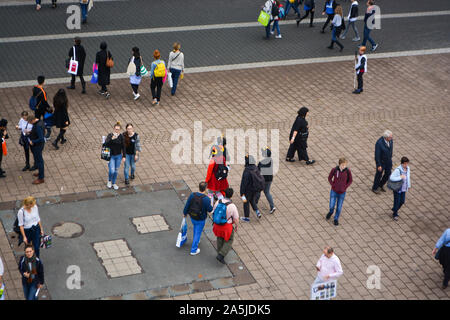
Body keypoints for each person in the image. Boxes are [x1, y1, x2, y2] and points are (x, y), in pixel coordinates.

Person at [183, 182, 214, 256]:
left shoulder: (192, 195)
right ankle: (193, 249)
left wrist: (184, 213)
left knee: (196, 228)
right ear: (205, 189)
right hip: (201, 218)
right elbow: (210, 210)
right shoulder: (206, 199)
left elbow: (187, 205)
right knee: (198, 232)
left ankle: (196, 240)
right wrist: (211, 202)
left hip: (192, 216)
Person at [213, 188, 239, 264]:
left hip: (217, 224)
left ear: (224, 194)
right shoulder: (232, 206)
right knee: (229, 240)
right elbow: (236, 218)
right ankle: (221, 254)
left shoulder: (218, 202)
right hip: (226, 226)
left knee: (219, 237)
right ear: (231, 196)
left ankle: (219, 251)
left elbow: (214, 212)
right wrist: (237, 226)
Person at [326, 158, 352, 226]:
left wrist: (345, 187)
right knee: (331, 205)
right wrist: (333, 185)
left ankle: (336, 219)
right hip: (334, 191)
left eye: (345, 165)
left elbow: (350, 180)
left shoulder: (347, 171)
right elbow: (329, 178)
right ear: (339, 164)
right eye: (343, 165)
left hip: (342, 192)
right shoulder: (334, 170)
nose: (344, 166)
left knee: (339, 207)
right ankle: (331, 212)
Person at [240, 155, 263, 222]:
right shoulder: (255, 168)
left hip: (247, 191)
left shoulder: (247, 171)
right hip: (254, 189)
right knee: (252, 200)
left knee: (245, 202)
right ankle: (257, 212)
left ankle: (246, 217)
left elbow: (244, 183)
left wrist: (242, 192)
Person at [104, 122, 125, 190]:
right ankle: (109, 181)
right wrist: (112, 139)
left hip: (118, 156)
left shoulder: (121, 137)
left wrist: (124, 156)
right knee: (112, 170)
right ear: (114, 129)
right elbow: (106, 144)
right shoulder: (110, 135)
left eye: (118, 129)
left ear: (120, 130)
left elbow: (123, 147)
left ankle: (114, 182)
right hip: (111, 156)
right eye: (116, 129)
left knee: (116, 170)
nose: (117, 131)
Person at [389, 156, 411, 221]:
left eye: (407, 163)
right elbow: (391, 177)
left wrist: (408, 185)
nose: (406, 165)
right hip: (397, 189)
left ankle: (394, 209)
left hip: (403, 188)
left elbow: (408, 177)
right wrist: (400, 177)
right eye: (405, 163)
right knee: (397, 201)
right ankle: (395, 214)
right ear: (402, 163)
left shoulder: (408, 168)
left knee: (402, 201)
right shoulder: (398, 170)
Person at [257, 147, 276, 214]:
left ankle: (255, 203)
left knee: (258, 191)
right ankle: (272, 206)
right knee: (267, 192)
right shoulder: (271, 160)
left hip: (262, 180)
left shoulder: (261, 163)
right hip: (269, 179)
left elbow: (257, 171)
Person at [28, 116, 45, 184]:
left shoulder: (37, 126)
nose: (30, 124)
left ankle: (41, 178)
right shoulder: (40, 122)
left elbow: (41, 138)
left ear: (33, 120)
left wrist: (33, 141)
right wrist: (31, 132)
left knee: (39, 161)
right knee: (38, 160)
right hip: (38, 145)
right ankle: (40, 173)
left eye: (30, 122)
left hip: (37, 146)